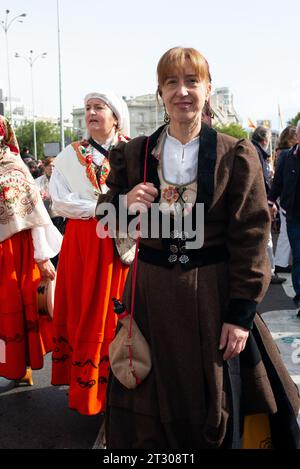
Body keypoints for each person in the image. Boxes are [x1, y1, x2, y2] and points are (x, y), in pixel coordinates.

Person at [96, 47, 300, 449]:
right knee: (150, 408)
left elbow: (252, 236)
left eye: (192, 81)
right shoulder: (135, 153)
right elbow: (105, 220)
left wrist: (241, 315)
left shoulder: (234, 154)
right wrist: (122, 204)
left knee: (216, 403)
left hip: (213, 295)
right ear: (160, 93)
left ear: (207, 89)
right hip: (150, 296)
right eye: (172, 82)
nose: (182, 91)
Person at [49, 91, 131, 415]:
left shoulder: (131, 151)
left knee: (118, 316)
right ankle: (89, 394)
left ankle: (122, 389)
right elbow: (59, 200)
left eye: (99, 107)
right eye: (88, 108)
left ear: (114, 115)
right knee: (85, 312)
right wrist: (100, 207)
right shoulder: (70, 156)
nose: (92, 113)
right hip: (83, 244)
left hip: (121, 245)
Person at [0, 115, 62, 390]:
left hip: (16, 253)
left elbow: (36, 217)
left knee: (12, 312)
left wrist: (43, 256)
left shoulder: (15, 169)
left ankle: (19, 367)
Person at [268, 121, 300, 318]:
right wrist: (270, 201)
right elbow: (277, 182)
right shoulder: (287, 158)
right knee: (299, 256)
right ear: (296, 137)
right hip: (294, 215)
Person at [251, 126, 286, 285]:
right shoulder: (257, 153)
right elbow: (261, 181)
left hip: (256, 201)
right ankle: (269, 272)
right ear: (265, 140)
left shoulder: (254, 151)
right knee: (266, 239)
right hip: (259, 201)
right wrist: (269, 202)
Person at [273, 126, 298, 273]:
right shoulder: (287, 153)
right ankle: (280, 262)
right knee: (286, 232)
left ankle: (281, 262)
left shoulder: (281, 152)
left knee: (285, 232)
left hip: (285, 197)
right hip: (288, 198)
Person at [35, 157, 65, 267]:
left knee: (59, 241)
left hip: (58, 216)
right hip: (44, 216)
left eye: (54, 166)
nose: (51, 168)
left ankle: (58, 264)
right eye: (49, 166)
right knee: (47, 241)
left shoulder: (61, 180)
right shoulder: (38, 181)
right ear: (44, 167)